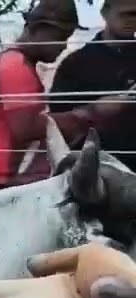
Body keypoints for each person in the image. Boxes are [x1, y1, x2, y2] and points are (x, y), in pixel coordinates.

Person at [0, 0, 117, 189]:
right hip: (1, 182)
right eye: (61, 38)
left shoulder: (14, 63)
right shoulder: (15, 68)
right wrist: (92, 113)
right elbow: (28, 128)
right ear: (38, 29)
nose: (64, 46)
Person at [48, 0, 136, 171]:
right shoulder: (76, 63)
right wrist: (95, 111)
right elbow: (57, 122)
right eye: (126, 14)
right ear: (105, 13)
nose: (132, 20)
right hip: (93, 166)